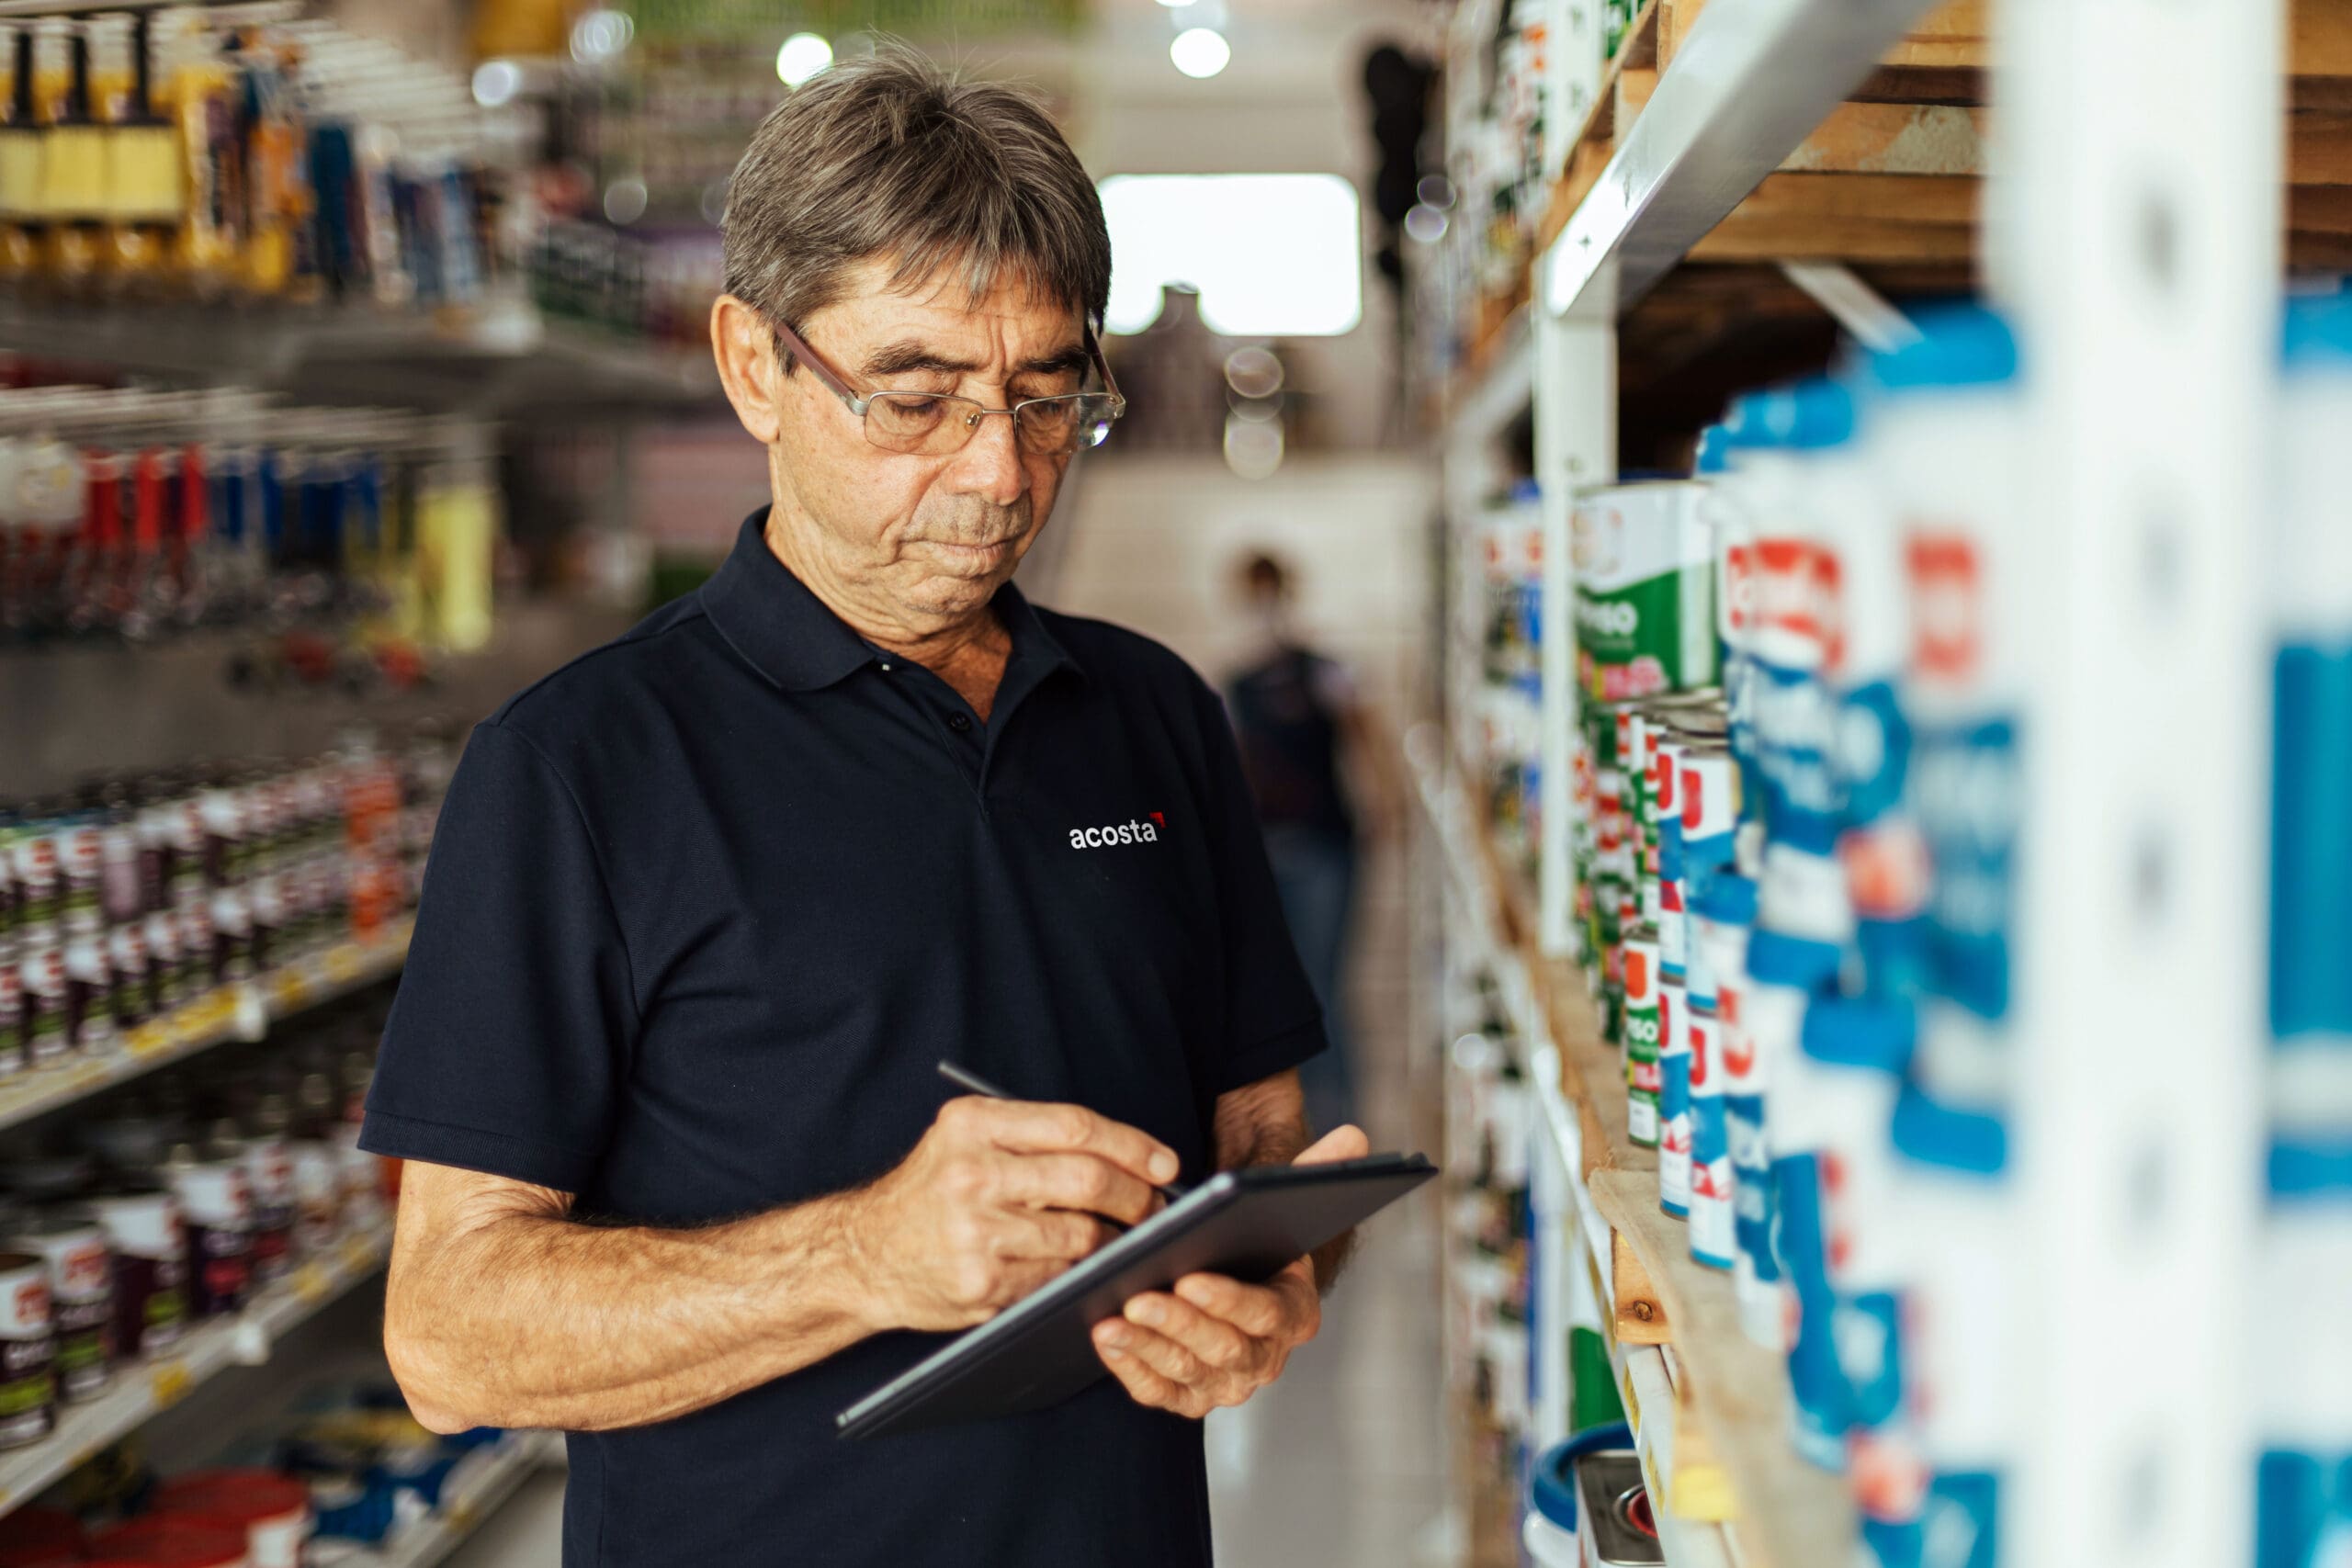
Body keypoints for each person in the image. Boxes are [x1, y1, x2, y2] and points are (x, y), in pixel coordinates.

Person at [362, 50, 1366, 1568]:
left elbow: (1259, 1138)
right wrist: (862, 1256)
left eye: (1046, 399)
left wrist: (1278, 1286)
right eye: (916, 397)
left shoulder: (1153, 712)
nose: (996, 475)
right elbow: (449, 1338)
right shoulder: (582, 768)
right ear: (755, 366)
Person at [1224, 553, 1404, 1136]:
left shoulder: (1325, 672)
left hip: (1325, 846)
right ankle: (1290, 1124)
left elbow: (1364, 736)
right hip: (1265, 851)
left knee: (1324, 988)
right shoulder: (1235, 683)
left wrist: (1384, 803)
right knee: (1281, 992)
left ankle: (1340, 1125)